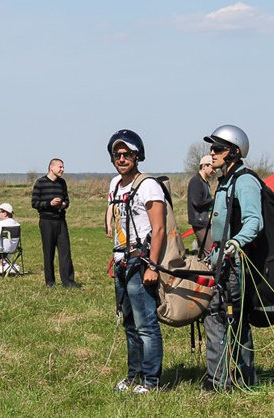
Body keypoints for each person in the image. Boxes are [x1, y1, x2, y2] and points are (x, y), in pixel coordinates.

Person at [202, 124, 261, 391]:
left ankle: (221, 382)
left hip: (235, 267)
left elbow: (254, 221)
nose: (212, 153)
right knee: (234, 321)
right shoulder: (225, 180)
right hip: (220, 263)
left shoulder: (244, 181)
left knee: (220, 318)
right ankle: (243, 378)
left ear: (234, 152)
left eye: (218, 149)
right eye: (211, 148)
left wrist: (235, 244)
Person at [106, 129, 165, 394]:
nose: (121, 158)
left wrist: (152, 266)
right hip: (121, 261)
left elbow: (159, 229)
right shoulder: (114, 185)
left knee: (146, 325)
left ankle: (151, 381)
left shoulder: (149, 185)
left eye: (127, 153)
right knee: (129, 324)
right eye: (117, 154)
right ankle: (134, 375)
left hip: (141, 262)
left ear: (137, 155)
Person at [31, 158, 79, 288]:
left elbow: (67, 200)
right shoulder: (40, 183)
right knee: (49, 252)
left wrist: (63, 204)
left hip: (60, 221)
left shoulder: (62, 183)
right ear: (51, 167)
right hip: (47, 221)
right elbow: (34, 203)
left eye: (63, 167)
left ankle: (69, 282)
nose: (62, 169)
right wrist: (49, 203)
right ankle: (50, 282)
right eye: (60, 167)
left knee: (65, 252)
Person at [187, 155, 216, 254]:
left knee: (203, 253)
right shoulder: (196, 181)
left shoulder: (204, 182)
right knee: (211, 251)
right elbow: (197, 202)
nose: (214, 171)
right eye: (212, 167)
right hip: (200, 223)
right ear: (204, 166)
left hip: (204, 221)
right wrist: (214, 201)